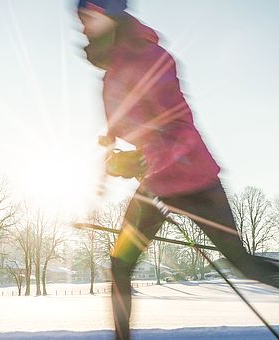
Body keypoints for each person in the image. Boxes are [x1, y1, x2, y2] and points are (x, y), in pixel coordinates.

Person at [76, 1, 279, 339]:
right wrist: (121, 154)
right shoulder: (113, 67)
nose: (82, 25)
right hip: (155, 186)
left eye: (88, 16)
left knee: (242, 262)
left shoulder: (149, 57)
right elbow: (137, 124)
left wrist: (140, 158)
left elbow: (179, 128)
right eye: (80, 18)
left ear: (109, 15)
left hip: (196, 182)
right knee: (121, 263)